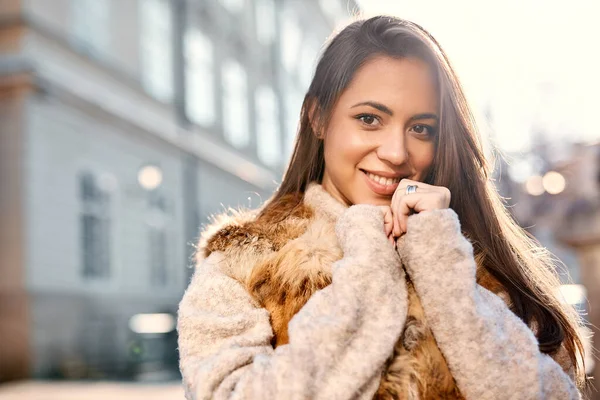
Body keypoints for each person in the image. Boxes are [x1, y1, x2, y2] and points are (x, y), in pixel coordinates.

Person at [177, 15, 586, 400]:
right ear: (318, 117)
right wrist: (369, 258)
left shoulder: (483, 267)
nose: (396, 152)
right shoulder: (243, 263)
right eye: (370, 119)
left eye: (421, 128)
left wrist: (441, 264)